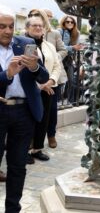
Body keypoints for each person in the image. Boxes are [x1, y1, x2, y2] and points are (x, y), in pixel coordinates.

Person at [0, 10, 49, 212]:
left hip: (24, 112)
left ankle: (13, 209)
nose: (8, 30)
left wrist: (35, 67)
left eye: (11, 26)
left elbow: (43, 76)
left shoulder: (24, 43)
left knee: (18, 165)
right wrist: (7, 75)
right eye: (2, 26)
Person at [28, 8, 67, 148]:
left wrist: (50, 81)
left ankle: (47, 139)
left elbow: (57, 63)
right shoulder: (24, 41)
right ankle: (30, 144)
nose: (37, 25)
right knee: (33, 116)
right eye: (32, 18)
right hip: (33, 87)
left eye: (39, 19)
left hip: (50, 84)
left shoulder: (51, 39)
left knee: (49, 115)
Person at [24, 17, 61, 163]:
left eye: (40, 26)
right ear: (27, 28)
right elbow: (24, 70)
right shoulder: (22, 43)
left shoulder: (49, 45)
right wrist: (41, 85)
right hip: (31, 90)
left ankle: (37, 149)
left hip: (48, 89)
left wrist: (50, 81)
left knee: (43, 119)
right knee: (28, 121)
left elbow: (57, 66)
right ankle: (25, 150)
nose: (38, 28)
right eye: (34, 25)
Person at [59, 15, 84, 107]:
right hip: (60, 58)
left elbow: (76, 46)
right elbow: (60, 46)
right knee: (59, 81)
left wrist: (78, 47)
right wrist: (72, 47)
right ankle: (58, 101)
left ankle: (69, 101)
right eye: (67, 22)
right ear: (64, 23)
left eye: (72, 22)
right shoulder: (60, 31)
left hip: (69, 59)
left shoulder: (76, 33)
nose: (70, 23)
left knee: (71, 80)